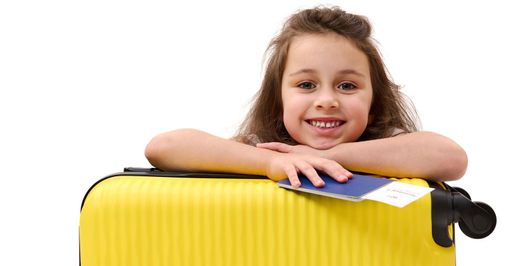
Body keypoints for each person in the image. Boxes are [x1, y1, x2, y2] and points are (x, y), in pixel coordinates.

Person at [145, 6, 467, 188]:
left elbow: (451, 158)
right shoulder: (264, 145)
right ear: (278, 98)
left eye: (347, 86)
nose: (327, 100)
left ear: (373, 102)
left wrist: (333, 157)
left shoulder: (383, 144)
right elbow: (163, 147)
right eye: (306, 85)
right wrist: (274, 161)